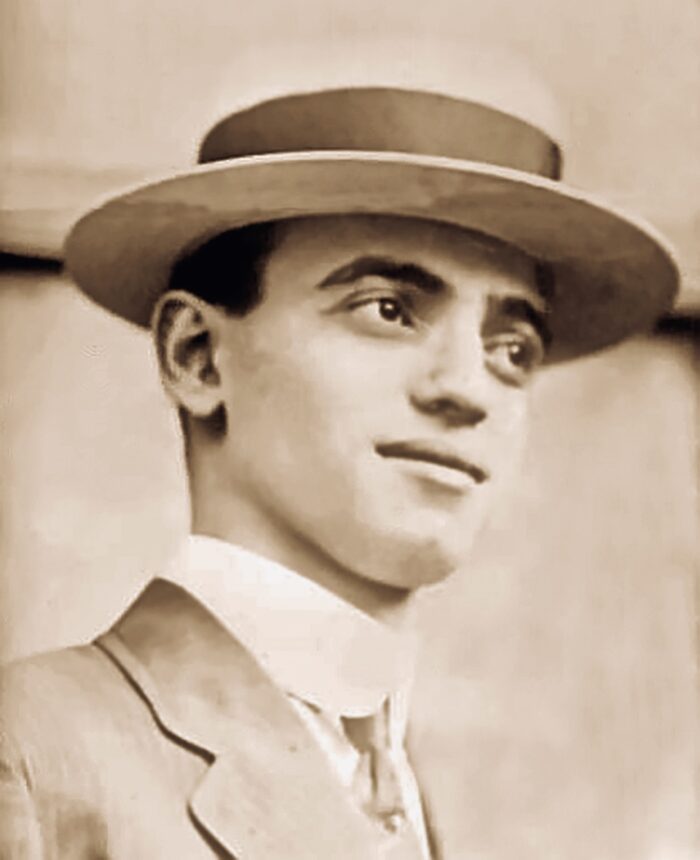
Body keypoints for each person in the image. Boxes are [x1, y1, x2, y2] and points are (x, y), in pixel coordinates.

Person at [0, 55, 678, 859]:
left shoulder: (433, 797)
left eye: (511, 348)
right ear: (198, 355)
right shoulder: (33, 757)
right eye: (387, 309)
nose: (468, 388)